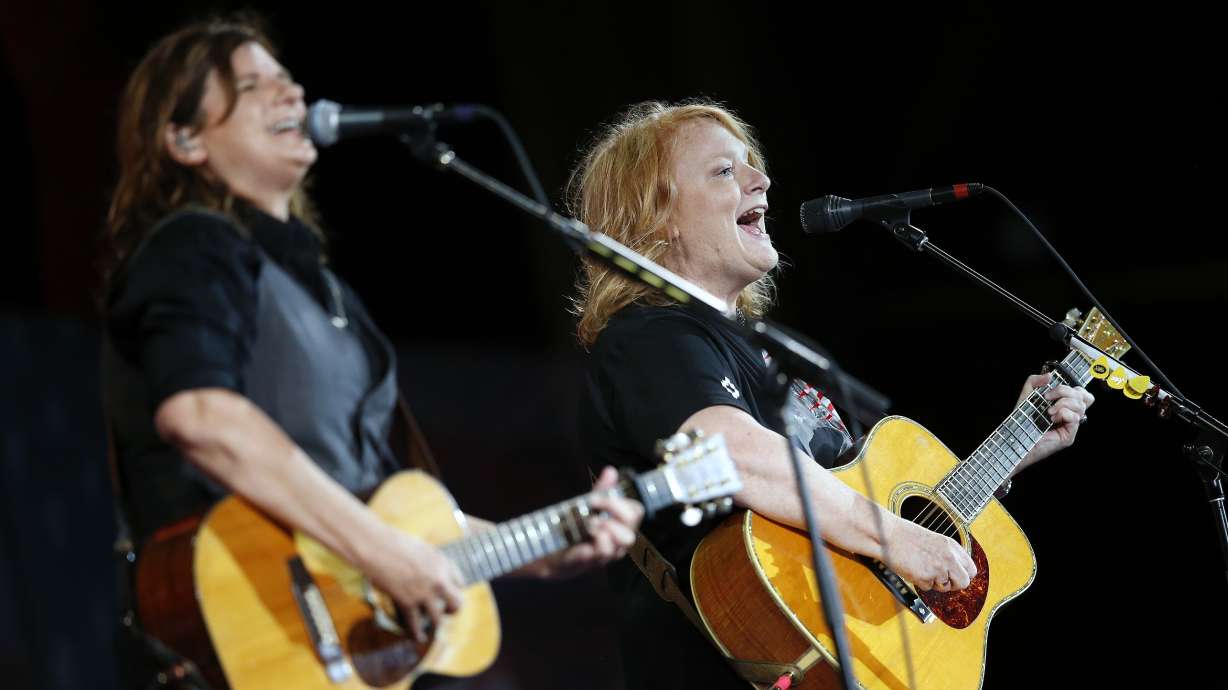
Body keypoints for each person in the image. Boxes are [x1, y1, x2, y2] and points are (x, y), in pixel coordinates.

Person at [101, 17, 643, 686]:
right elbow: (202, 417)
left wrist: (547, 545)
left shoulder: (320, 287)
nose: (292, 94)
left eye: (288, 79)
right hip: (241, 625)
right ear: (184, 138)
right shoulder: (193, 246)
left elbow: (392, 517)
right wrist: (380, 550)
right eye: (253, 85)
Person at [568, 100, 1095, 689]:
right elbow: (729, 454)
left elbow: (863, 516)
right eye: (723, 171)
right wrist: (897, 538)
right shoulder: (651, 336)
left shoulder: (763, 352)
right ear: (656, 215)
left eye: (751, 165)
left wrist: (1014, 447)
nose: (760, 179)